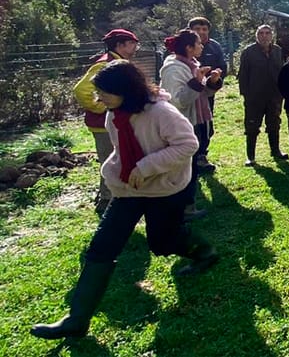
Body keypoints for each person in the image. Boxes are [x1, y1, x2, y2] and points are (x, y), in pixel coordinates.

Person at [30, 61, 218, 341]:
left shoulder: (161, 112)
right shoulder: (114, 114)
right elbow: (121, 150)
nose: (100, 98)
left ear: (125, 90)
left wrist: (145, 167)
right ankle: (76, 320)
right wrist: (113, 170)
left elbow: (187, 145)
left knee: (162, 242)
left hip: (165, 189)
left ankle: (204, 251)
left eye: (105, 92)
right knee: (101, 247)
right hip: (128, 190)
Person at [73, 28, 140, 216]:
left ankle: (114, 197)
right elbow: (81, 90)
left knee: (117, 159)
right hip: (103, 125)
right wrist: (103, 107)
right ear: (120, 45)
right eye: (132, 43)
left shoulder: (119, 62)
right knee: (109, 162)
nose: (135, 47)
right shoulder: (105, 65)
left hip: (116, 123)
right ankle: (106, 202)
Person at [159, 29, 223, 221]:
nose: (202, 46)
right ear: (188, 47)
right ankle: (181, 208)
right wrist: (197, 81)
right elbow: (178, 100)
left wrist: (212, 82)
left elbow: (203, 94)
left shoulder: (193, 64)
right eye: (198, 43)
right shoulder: (173, 69)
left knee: (191, 166)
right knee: (183, 168)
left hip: (196, 121)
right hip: (182, 124)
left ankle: (187, 205)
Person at [237, 25, 288, 166]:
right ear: (257, 36)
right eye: (261, 33)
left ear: (272, 35)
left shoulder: (277, 51)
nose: (264, 36)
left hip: (275, 95)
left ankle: (275, 151)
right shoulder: (248, 52)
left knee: (274, 123)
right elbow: (243, 75)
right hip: (255, 96)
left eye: (267, 33)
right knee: (252, 126)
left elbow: (282, 72)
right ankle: (251, 157)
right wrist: (246, 95)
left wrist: (283, 91)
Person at [188, 16, 227, 175]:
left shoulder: (214, 47)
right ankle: (189, 158)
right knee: (189, 125)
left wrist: (215, 79)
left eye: (204, 29)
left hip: (207, 94)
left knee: (206, 125)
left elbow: (222, 66)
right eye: (197, 29)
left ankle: (202, 155)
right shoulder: (181, 47)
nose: (201, 32)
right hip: (187, 94)